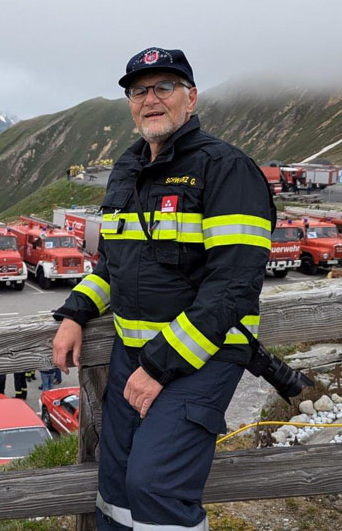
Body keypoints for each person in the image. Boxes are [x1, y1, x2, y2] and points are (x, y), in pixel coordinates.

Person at [52, 47, 274, 530]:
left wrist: (159, 365)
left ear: (190, 98)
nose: (150, 99)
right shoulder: (127, 171)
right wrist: (74, 314)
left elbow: (234, 286)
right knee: (115, 487)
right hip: (135, 352)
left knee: (155, 485)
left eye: (164, 87)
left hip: (202, 356)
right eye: (138, 91)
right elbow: (113, 267)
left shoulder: (227, 169)